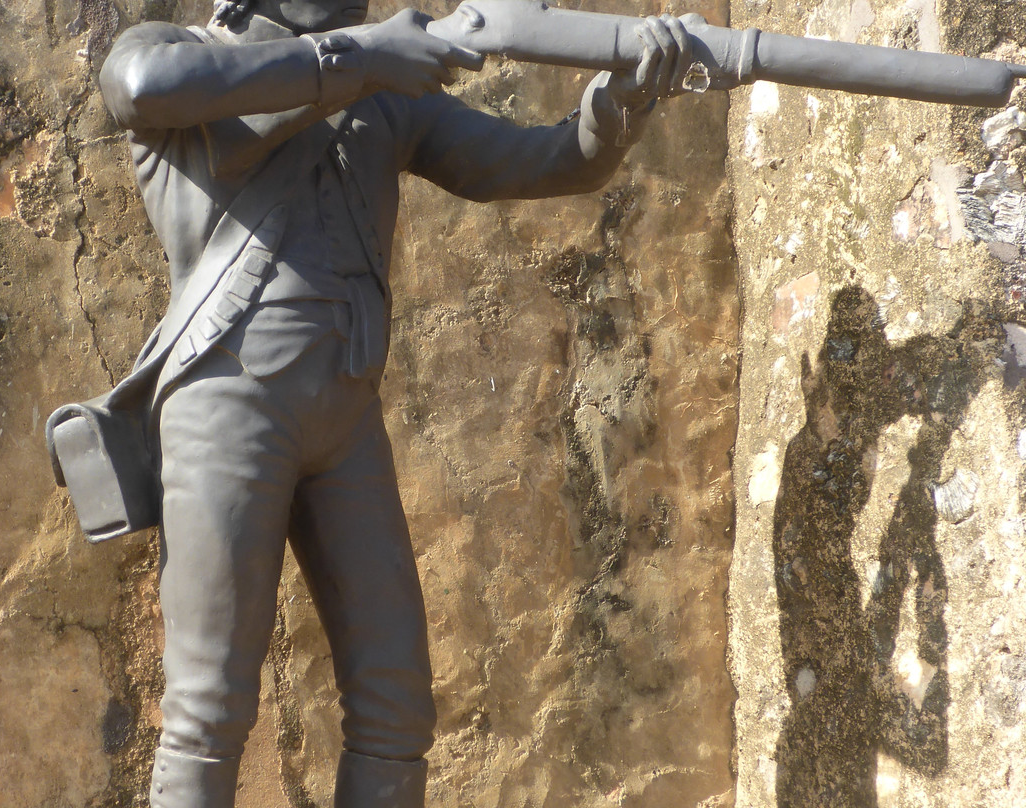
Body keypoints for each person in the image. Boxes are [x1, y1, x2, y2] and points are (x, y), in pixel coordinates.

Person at [95, 1, 689, 806]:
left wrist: (620, 102)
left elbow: (542, 162)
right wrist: (360, 57)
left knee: (396, 706)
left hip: (346, 420)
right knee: (209, 711)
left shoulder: (384, 97)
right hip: (225, 404)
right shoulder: (184, 54)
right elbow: (138, 86)